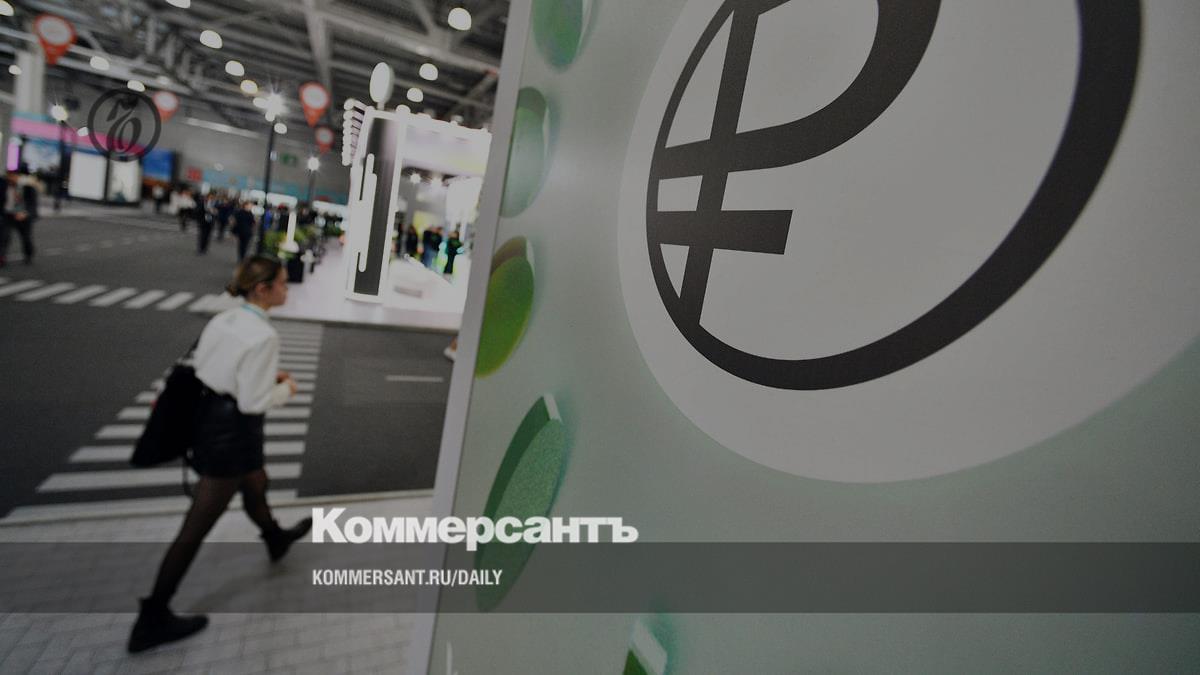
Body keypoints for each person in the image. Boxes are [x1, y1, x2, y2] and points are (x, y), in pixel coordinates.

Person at [128, 255, 311, 653]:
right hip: (232, 434)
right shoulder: (264, 336)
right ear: (262, 289)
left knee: (256, 482)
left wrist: (265, 376)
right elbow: (253, 401)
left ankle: (275, 537)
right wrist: (287, 388)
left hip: (209, 416)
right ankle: (153, 616)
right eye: (283, 283)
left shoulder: (224, 319)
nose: (288, 288)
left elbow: (215, 367)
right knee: (197, 525)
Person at [0, 169, 39, 267]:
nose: (10, 178)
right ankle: (1, 257)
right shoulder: (4, 185)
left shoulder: (27, 186)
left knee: (26, 238)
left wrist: (25, 213)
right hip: (8, 214)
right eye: (8, 176)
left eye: (12, 176)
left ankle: (28, 254)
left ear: (18, 176)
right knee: (3, 236)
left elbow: (32, 203)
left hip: (23, 216)